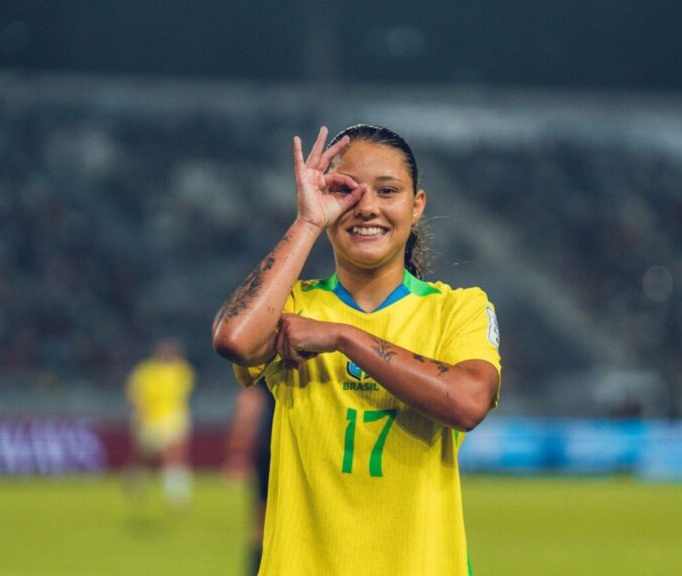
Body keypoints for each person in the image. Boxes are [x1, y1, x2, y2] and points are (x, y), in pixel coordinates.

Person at [212, 124, 502, 575]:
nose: (367, 207)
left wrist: (344, 337)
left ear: (417, 204)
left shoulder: (458, 309)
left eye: (388, 191)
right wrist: (308, 221)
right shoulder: (294, 305)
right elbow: (234, 339)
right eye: (346, 191)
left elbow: (468, 401)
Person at [125, 338, 196, 508]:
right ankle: (135, 479)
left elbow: (182, 392)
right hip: (150, 420)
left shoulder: (182, 370)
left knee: (175, 455)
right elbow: (134, 393)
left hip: (174, 418)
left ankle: (176, 496)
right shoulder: (146, 371)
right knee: (143, 457)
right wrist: (141, 411)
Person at [222, 383, 274, 575]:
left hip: (278, 450)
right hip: (331, 450)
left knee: (263, 524)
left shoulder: (274, 353)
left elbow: (248, 405)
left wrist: (237, 452)